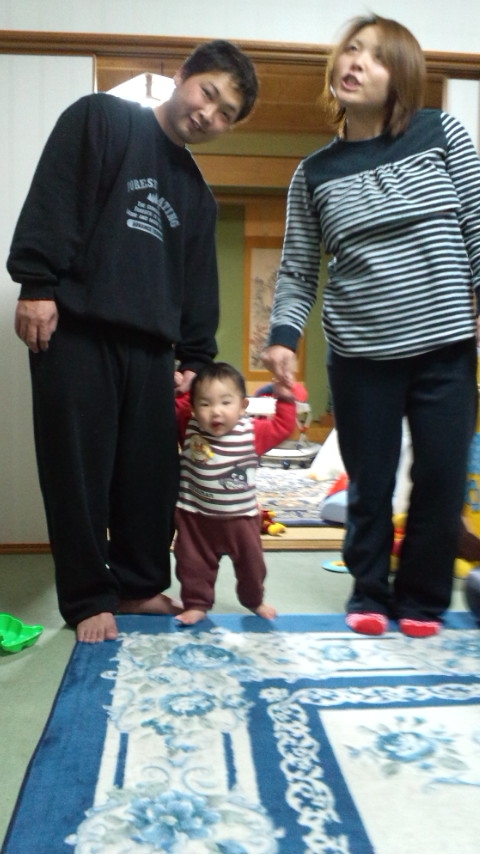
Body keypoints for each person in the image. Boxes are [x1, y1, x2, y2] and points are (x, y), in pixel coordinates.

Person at [7, 40, 259, 643]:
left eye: (226, 114)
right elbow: (56, 193)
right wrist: (37, 281)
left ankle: (138, 584)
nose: (208, 114)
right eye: (208, 93)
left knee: (150, 477)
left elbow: (198, 283)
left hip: (152, 353)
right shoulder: (102, 119)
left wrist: (196, 357)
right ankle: (88, 597)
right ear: (184, 75)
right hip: (77, 330)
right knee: (77, 474)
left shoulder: (197, 193)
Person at [262, 14, 480, 638]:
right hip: (361, 356)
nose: (355, 62)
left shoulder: (441, 133)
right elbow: (298, 268)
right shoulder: (314, 172)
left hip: (445, 348)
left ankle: (422, 599)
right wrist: (283, 336)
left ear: (401, 75)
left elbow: (477, 226)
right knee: (371, 483)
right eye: (350, 50)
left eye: (376, 56)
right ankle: (369, 592)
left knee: (441, 478)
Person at [174, 361, 296, 625]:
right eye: (205, 404)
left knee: (252, 566)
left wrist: (285, 398)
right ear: (194, 408)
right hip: (196, 519)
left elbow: (283, 426)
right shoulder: (189, 425)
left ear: (243, 406)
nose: (216, 412)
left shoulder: (252, 432)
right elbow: (178, 407)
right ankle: (196, 604)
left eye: (226, 402)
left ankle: (254, 600)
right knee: (192, 565)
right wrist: (182, 389)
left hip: (242, 520)